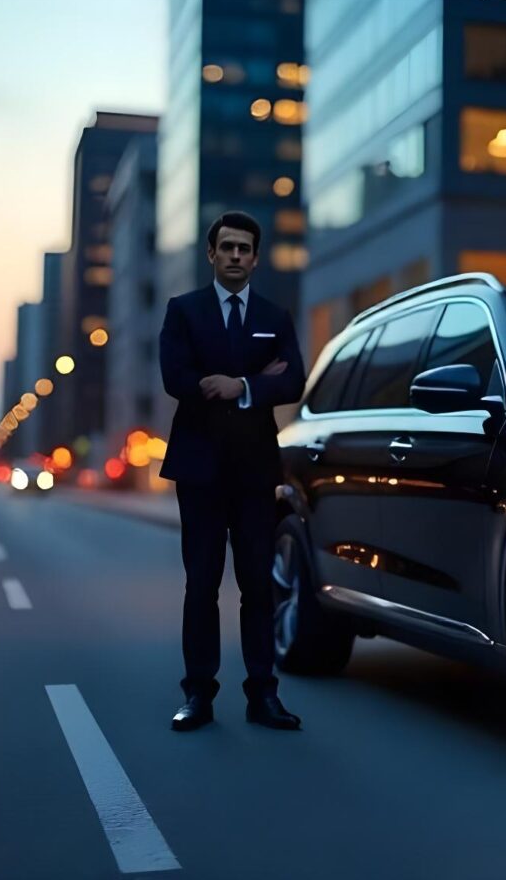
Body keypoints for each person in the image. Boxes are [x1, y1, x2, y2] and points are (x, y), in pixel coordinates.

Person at [157, 211, 307, 732]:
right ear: (211, 254)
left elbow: (294, 382)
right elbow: (175, 377)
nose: (237, 256)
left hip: (253, 471)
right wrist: (253, 378)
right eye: (228, 248)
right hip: (198, 470)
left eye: (245, 248)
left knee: (257, 588)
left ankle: (263, 695)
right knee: (201, 584)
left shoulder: (274, 314)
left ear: (257, 257)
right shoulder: (184, 311)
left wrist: (239, 384)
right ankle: (198, 694)